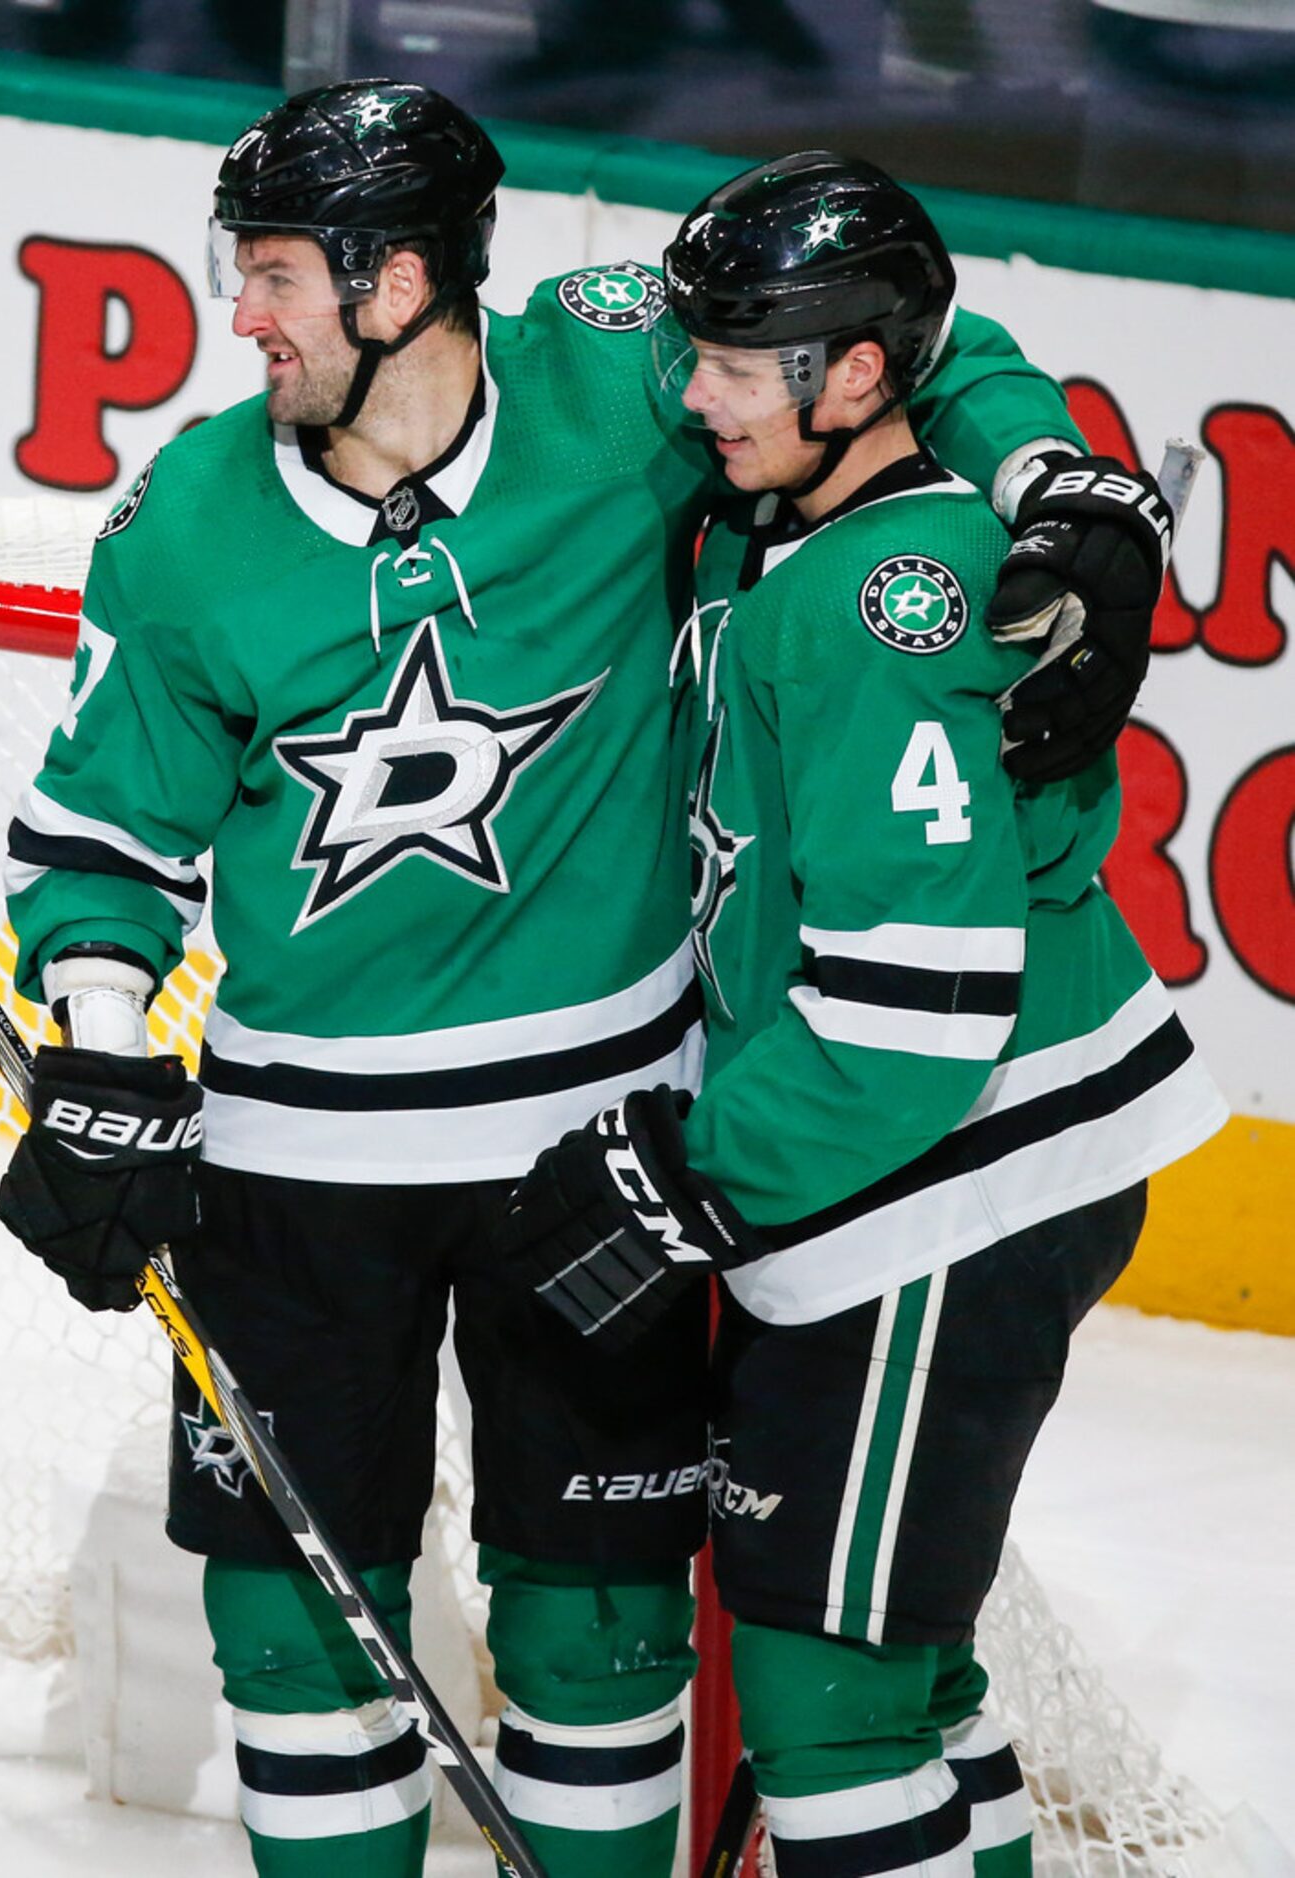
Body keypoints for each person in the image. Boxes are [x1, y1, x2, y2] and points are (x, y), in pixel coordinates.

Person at [0, 81, 1172, 1878]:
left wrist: (1048, 477)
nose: (243, 314)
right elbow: (101, 835)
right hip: (299, 1172)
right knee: (294, 1649)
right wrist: (95, 1043)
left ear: (401, 281)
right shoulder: (185, 522)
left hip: (597, 1145)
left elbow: (919, 332)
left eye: (282, 275)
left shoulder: (628, 374)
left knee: (599, 1642)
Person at [499, 152, 1229, 1878]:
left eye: (743, 367)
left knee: (827, 1701)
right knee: (903, 1672)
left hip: (946, 1177)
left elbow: (915, 1016)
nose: (695, 395)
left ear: (856, 375)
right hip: (910, 1167)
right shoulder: (788, 516)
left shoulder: (886, 606)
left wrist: (679, 1170)